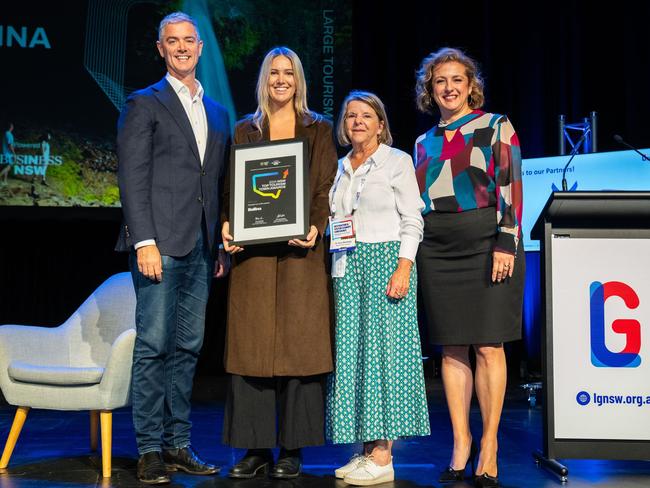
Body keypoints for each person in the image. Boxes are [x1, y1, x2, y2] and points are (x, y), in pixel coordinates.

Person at [115, 12, 230, 485]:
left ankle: (177, 444)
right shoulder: (144, 103)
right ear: (160, 49)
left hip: (202, 248)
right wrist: (144, 240)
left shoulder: (218, 111)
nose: (181, 47)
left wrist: (220, 238)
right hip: (158, 246)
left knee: (188, 347)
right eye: (172, 41)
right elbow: (132, 178)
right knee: (154, 347)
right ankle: (149, 451)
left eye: (189, 40)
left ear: (200, 48)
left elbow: (218, 182)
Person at [221, 46, 337, 480]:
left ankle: (292, 449)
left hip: (299, 254)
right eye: (274, 72)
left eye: (289, 72)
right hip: (252, 258)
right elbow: (232, 187)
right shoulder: (244, 129)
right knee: (252, 348)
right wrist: (229, 223)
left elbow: (326, 184)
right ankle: (254, 449)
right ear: (264, 80)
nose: (281, 80)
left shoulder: (319, 128)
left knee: (298, 348)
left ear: (299, 79)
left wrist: (316, 225)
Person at [413, 47, 524, 488]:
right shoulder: (422, 142)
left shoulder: (496, 126)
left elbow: (510, 185)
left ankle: (490, 445)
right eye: (440, 81)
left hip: (485, 242)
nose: (449, 88)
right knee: (451, 347)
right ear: (430, 89)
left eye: (457, 79)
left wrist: (506, 242)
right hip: (436, 248)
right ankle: (461, 443)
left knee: (487, 346)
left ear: (470, 85)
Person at [325, 91, 430, 486]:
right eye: (351, 116)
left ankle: (384, 455)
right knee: (354, 355)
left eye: (366, 116)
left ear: (380, 123)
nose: (357, 122)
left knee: (386, 356)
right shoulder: (339, 167)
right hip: (348, 265)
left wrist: (404, 265)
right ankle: (367, 448)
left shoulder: (397, 162)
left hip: (387, 261)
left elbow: (413, 219)